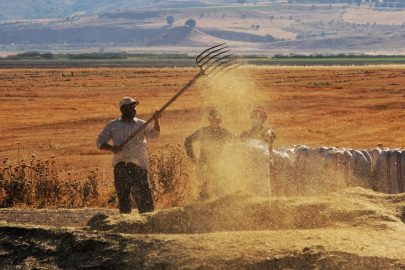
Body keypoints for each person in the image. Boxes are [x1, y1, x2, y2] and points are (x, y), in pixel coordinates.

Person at [96, 97, 161, 214]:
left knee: (145, 200)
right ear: (122, 109)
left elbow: (155, 135)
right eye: (130, 107)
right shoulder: (113, 125)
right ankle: (125, 225)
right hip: (121, 166)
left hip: (139, 165)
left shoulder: (142, 124)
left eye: (134, 107)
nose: (133, 109)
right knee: (124, 199)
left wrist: (156, 121)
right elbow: (100, 142)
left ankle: (148, 224)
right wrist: (111, 148)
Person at [184, 109, 233, 200]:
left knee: (219, 191)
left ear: (221, 120)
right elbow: (188, 141)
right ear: (209, 119)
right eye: (213, 118)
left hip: (219, 166)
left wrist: (229, 161)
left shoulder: (226, 133)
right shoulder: (203, 131)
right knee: (203, 192)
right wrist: (192, 156)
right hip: (204, 166)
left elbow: (235, 145)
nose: (215, 120)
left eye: (217, 118)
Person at [238, 106, 276, 197]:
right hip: (249, 164)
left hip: (264, 164)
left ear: (263, 119)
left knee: (264, 188)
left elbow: (271, 133)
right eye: (253, 117)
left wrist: (269, 134)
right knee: (249, 188)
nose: (255, 119)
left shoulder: (267, 130)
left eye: (258, 117)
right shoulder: (245, 133)